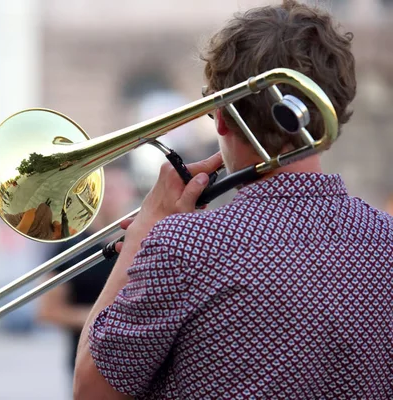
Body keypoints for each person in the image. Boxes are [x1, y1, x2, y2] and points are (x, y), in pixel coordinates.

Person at [74, 1, 393, 399]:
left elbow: (91, 389)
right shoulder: (386, 240)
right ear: (335, 115)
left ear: (222, 116)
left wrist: (142, 234)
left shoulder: (182, 246)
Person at [37, 167, 136, 376]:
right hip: (87, 363)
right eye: (104, 191)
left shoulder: (146, 241)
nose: (110, 197)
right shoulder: (69, 246)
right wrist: (104, 319)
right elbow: (47, 311)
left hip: (139, 362)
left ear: (129, 192)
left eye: (116, 189)